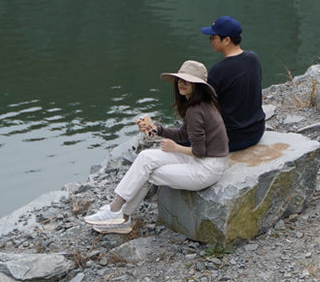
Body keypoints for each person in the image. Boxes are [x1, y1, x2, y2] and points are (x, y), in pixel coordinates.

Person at [83, 60, 228, 234]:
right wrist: (157, 130)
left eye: (188, 81)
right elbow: (183, 135)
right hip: (201, 160)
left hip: (207, 168)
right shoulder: (198, 106)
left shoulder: (196, 110)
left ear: (198, 86)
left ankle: (120, 216)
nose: (182, 84)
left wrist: (175, 148)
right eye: (180, 80)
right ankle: (116, 211)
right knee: (146, 157)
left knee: (148, 172)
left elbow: (199, 151)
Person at [202, 15, 266, 151]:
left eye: (213, 37)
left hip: (232, 138)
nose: (210, 41)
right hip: (257, 131)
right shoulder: (253, 59)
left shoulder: (218, 70)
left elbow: (207, 107)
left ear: (226, 40)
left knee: (180, 139)